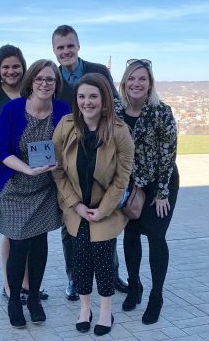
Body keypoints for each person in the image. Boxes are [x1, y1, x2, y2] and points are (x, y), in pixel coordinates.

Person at [53, 73, 134, 336]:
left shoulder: (119, 131)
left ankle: (105, 311)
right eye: (82, 96)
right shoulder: (66, 126)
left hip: (105, 210)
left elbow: (122, 178)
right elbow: (58, 171)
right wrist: (75, 205)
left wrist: (103, 210)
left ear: (104, 100)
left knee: (104, 262)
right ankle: (85, 309)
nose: (87, 102)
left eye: (93, 96)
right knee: (81, 263)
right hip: (76, 209)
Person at [52, 24, 128, 300]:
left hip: (101, 151)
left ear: (78, 46)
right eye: (60, 47)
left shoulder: (99, 70)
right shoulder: (53, 78)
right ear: (54, 51)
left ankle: (112, 272)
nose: (66, 51)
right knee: (70, 224)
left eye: (70, 46)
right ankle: (74, 276)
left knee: (107, 219)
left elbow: (116, 105)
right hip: (69, 155)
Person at [0, 59, 70, 328]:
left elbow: (71, 146)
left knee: (39, 243)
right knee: (18, 245)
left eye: (50, 79)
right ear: (30, 82)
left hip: (46, 188)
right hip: (15, 188)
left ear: (56, 84)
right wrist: (26, 168)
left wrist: (63, 163)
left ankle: (35, 297)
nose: (44, 83)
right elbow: (1, 151)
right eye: (39, 79)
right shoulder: (13, 109)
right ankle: (15, 300)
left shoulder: (63, 110)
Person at [0, 45, 48, 303]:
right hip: (5, 172)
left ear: (24, 67)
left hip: (40, 174)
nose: (11, 71)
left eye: (16, 66)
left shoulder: (34, 91)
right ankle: (10, 286)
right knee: (12, 232)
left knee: (33, 232)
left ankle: (29, 284)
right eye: (5, 67)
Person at [115, 59, 179, 324]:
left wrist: (162, 193)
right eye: (132, 78)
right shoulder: (116, 112)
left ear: (150, 84)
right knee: (130, 236)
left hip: (158, 184)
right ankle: (134, 286)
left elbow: (168, 154)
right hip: (129, 185)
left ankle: (157, 296)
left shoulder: (161, 112)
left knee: (155, 236)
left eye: (142, 79)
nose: (136, 83)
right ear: (124, 82)